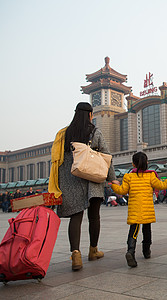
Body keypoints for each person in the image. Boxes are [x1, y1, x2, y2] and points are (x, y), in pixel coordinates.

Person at [48, 102, 118, 271]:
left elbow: (58, 161)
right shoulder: (95, 132)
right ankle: (93, 250)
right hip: (92, 179)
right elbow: (106, 156)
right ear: (90, 115)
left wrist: (59, 185)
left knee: (76, 218)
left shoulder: (63, 134)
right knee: (94, 217)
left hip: (71, 181)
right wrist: (113, 179)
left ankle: (76, 255)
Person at [110, 152, 167, 267]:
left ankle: (130, 251)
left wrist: (114, 184)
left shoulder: (128, 177)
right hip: (147, 210)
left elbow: (122, 191)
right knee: (147, 230)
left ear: (133, 164)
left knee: (133, 231)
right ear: (147, 163)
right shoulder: (150, 176)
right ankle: (146, 251)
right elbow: (162, 185)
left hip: (134, 210)